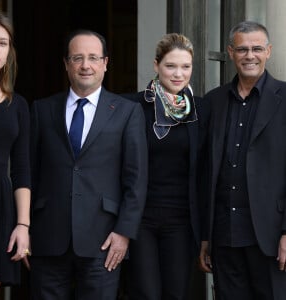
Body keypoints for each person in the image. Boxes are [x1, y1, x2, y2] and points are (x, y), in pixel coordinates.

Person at [29, 29, 148, 300]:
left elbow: (136, 178)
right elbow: (30, 174)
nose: (86, 65)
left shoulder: (127, 112)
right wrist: (25, 228)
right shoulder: (42, 110)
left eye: (93, 57)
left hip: (104, 239)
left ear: (106, 63)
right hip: (47, 237)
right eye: (78, 58)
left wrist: (124, 232)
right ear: (66, 63)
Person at [199, 21, 286, 299]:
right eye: (242, 49)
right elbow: (205, 171)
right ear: (230, 52)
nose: (250, 55)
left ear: (269, 51)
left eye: (257, 49)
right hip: (225, 237)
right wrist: (205, 235)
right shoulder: (213, 102)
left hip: (271, 238)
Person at [123, 33, 207, 300]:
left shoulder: (201, 111)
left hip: (182, 221)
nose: (178, 74)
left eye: (186, 67)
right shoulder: (133, 106)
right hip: (141, 219)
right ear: (156, 65)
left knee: (176, 293)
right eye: (171, 66)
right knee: (145, 293)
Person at [0, 12, 31, 300]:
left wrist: (23, 225)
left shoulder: (18, 105)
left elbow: (22, 169)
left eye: (2, 43)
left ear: (9, 51)